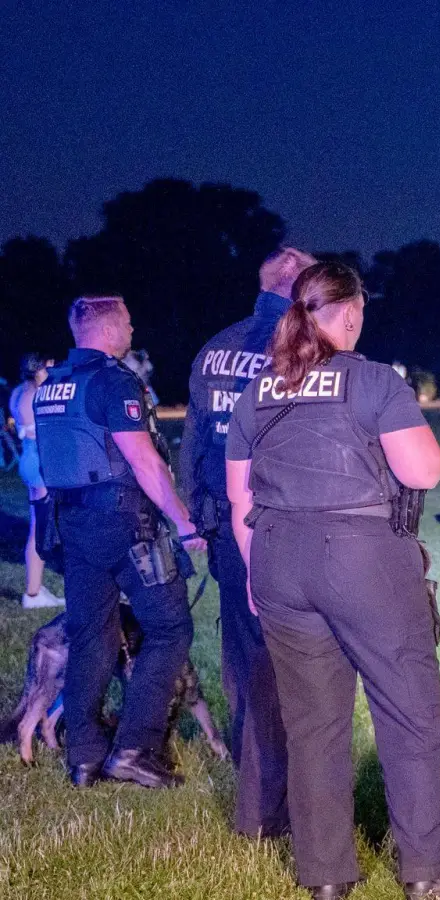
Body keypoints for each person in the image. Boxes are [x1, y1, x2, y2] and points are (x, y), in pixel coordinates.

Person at [225, 262, 440, 899]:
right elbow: (421, 472)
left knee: (313, 726)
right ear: (350, 313)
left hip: (278, 558)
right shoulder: (372, 380)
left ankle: (326, 876)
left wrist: (257, 575)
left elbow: (238, 499)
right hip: (361, 558)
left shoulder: (259, 391)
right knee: (409, 712)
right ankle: (427, 871)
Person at [34, 296, 204, 788]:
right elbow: (144, 460)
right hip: (126, 524)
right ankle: (135, 748)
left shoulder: (54, 386)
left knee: (93, 636)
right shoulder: (114, 381)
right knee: (170, 629)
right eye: (127, 322)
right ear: (109, 330)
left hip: (74, 526)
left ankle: (84, 755)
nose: (132, 327)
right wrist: (183, 521)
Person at [181, 246, 313, 837]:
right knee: (287, 658)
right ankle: (280, 787)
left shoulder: (214, 346)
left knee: (240, 654)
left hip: (220, 518)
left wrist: (195, 518)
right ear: (300, 288)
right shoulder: (295, 346)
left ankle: (251, 768)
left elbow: (192, 439)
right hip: (278, 520)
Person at [10, 353, 63, 608]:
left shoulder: (19, 392)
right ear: (45, 365)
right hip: (43, 463)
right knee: (41, 529)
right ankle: (32, 593)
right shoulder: (43, 393)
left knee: (38, 526)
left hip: (28, 459)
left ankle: (35, 590)